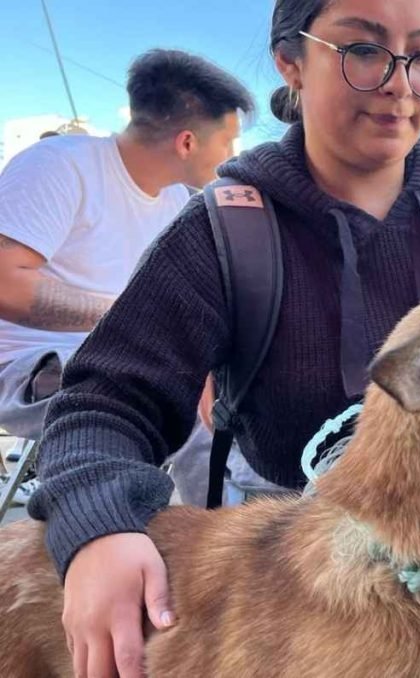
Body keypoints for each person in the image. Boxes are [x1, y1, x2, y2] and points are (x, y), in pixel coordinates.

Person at [27, 1, 420, 677]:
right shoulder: (224, 230)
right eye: (364, 50)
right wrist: (98, 527)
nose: (398, 82)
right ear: (290, 61)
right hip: (290, 589)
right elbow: (106, 402)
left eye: (419, 55)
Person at [0, 49, 253, 504]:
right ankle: (222, 549)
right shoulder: (58, 164)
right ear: (188, 142)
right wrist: (132, 320)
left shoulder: (178, 202)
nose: (232, 156)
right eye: (228, 141)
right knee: (197, 405)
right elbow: (5, 282)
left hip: (128, 358)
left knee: (243, 386)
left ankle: (230, 536)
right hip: (28, 364)